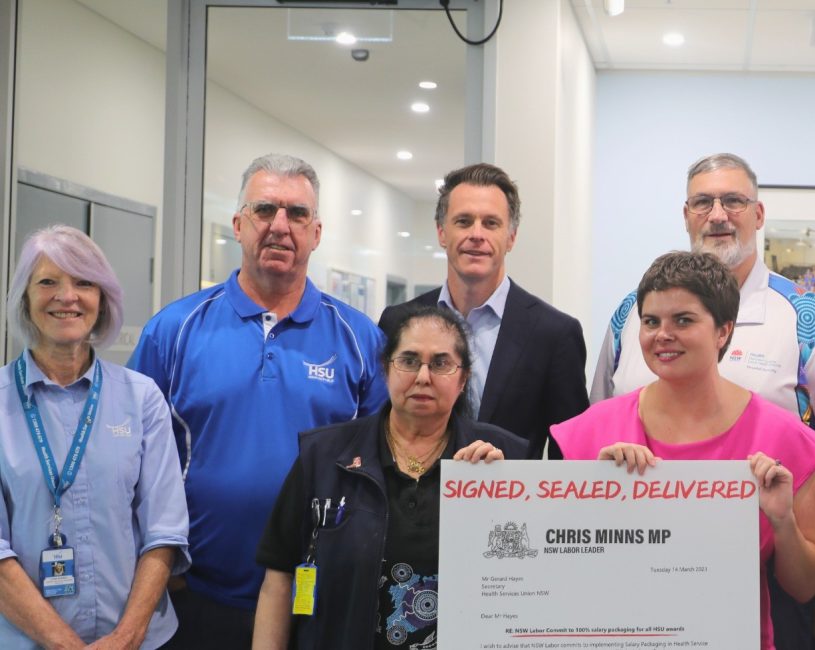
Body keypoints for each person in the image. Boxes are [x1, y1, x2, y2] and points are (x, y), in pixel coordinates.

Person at [589, 153, 815, 648]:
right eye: (703, 202)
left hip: (771, 573)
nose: (718, 215)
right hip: (634, 566)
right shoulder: (631, 314)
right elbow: (598, 423)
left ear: (758, 215)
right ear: (686, 214)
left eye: (733, 201)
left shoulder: (809, 320)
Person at [128, 154, 387, 646]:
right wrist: (165, 571)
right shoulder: (173, 331)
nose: (280, 226)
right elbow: (130, 461)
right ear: (239, 224)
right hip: (195, 597)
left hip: (317, 600)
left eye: (297, 214)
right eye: (265, 209)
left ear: (316, 232)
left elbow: (380, 467)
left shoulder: (359, 338)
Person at [554, 251, 815, 650]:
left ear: (723, 331)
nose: (662, 334)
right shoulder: (591, 434)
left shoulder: (787, 440)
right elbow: (557, 565)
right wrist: (594, 498)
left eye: (683, 320)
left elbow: (804, 588)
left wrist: (782, 521)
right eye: (651, 321)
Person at [253, 304, 526, 649]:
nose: (423, 377)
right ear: (386, 370)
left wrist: (508, 496)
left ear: (463, 379)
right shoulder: (323, 456)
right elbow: (278, 579)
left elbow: (532, 579)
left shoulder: (504, 459)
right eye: (409, 361)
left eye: (440, 363)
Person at [0, 225, 189, 648]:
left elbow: (164, 532)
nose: (67, 296)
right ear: (25, 298)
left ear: (102, 299)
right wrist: (65, 644)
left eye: (84, 282)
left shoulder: (142, 399)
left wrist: (127, 637)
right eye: (48, 281)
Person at [378, 162, 589, 459]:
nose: (477, 234)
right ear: (441, 232)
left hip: (510, 503)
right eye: (463, 221)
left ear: (511, 237)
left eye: (491, 223)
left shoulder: (554, 334)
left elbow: (569, 454)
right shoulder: (397, 322)